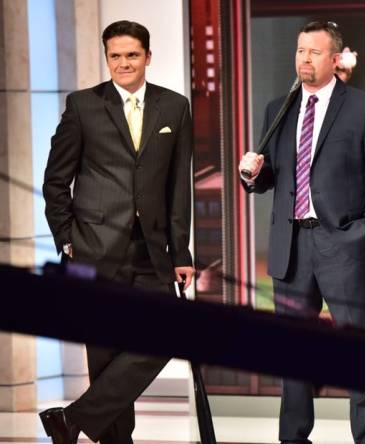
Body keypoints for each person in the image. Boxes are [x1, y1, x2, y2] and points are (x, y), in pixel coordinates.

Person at [237, 21, 365, 444]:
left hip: (344, 245)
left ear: (334, 59)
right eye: (299, 51)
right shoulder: (279, 107)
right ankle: (293, 438)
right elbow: (270, 174)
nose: (304, 59)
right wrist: (252, 175)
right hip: (290, 247)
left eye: (313, 52)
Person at [40, 20, 194, 444]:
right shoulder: (83, 106)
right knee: (106, 356)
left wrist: (181, 252)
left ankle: (71, 420)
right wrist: (67, 239)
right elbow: (56, 181)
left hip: (153, 251)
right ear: (106, 58)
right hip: (93, 250)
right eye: (115, 56)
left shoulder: (175, 107)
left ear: (147, 56)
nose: (123, 63)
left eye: (131, 55)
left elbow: (178, 187)